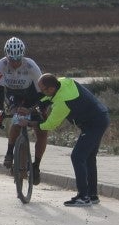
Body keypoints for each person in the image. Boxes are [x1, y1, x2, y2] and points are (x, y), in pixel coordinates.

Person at [37, 73, 110, 207]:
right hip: (100, 116)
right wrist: (41, 102)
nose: (41, 92)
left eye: (43, 90)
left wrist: (34, 125)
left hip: (94, 124)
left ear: (51, 89)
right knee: (89, 157)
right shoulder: (64, 81)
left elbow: (51, 124)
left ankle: (83, 197)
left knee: (77, 157)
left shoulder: (63, 102)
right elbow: (49, 98)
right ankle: (92, 195)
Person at [0, 36, 48, 183]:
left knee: (42, 132)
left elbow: (42, 94)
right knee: (17, 120)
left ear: (22, 55)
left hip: (33, 96)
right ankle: (9, 152)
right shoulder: (1, 64)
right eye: (11, 59)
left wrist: (33, 110)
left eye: (18, 59)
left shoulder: (31, 66)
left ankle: (36, 166)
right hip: (13, 97)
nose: (15, 62)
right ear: (6, 55)